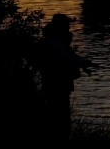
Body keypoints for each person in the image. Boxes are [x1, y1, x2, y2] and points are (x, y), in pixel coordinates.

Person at [38, 13, 92, 141]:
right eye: (67, 25)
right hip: (56, 85)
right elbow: (65, 59)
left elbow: (70, 56)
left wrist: (84, 63)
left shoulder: (58, 41)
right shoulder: (55, 43)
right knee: (60, 118)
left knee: (59, 116)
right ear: (60, 26)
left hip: (58, 85)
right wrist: (82, 62)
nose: (68, 28)